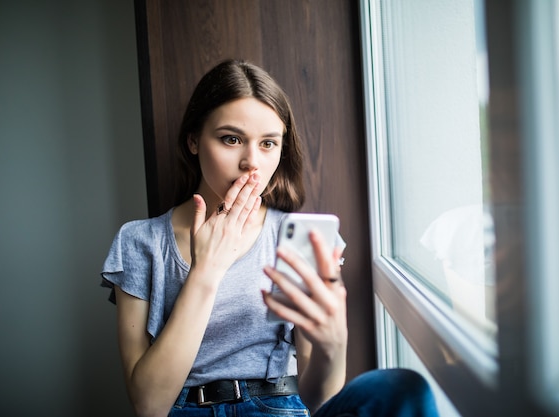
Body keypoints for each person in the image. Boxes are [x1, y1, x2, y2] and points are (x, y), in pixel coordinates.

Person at [101, 59, 439, 417]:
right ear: (194, 141)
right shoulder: (140, 242)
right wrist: (206, 271)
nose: (251, 163)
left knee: (401, 390)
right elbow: (149, 405)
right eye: (231, 139)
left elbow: (316, 398)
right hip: (186, 409)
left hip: (277, 405)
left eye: (268, 144)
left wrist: (333, 347)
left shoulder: (298, 238)